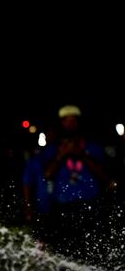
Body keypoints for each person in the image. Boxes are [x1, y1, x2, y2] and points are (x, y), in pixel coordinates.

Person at [42, 105, 109, 260]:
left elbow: (105, 176)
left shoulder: (93, 146)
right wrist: (61, 155)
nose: (70, 125)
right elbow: (47, 174)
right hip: (62, 206)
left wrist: (82, 155)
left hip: (89, 205)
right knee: (64, 254)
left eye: (73, 121)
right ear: (61, 124)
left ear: (79, 123)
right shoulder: (53, 148)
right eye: (66, 121)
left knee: (91, 252)